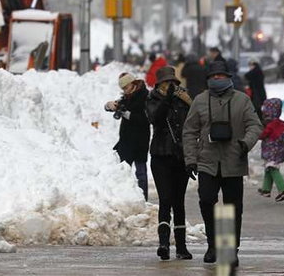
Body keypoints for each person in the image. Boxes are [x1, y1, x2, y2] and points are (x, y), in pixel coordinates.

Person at [182, 60, 262, 266]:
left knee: (232, 207)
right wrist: (191, 159)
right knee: (207, 200)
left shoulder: (242, 100)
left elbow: (254, 125)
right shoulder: (200, 101)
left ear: (229, 78)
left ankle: (229, 249)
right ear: (208, 79)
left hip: (233, 161)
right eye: (213, 77)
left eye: (221, 76)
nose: (217, 79)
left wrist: (245, 144)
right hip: (207, 161)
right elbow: (189, 131)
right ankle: (212, 244)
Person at [146, 66, 193, 260]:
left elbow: (193, 123)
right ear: (159, 84)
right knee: (165, 200)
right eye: (166, 83)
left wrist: (189, 102)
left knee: (179, 202)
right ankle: (164, 243)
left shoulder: (183, 99)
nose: (170, 86)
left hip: (179, 157)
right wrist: (167, 99)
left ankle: (181, 247)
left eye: (173, 82)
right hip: (160, 156)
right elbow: (154, 118)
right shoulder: (152, 99)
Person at [104, 72, 150, 200]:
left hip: (140, 139)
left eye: (126, 87)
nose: (125, 90)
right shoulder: (126, 97)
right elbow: (111, 107)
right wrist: (109, 105)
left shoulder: (145, 96)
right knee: (124, 172)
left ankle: (143, 199)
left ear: (132, 84)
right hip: (126, 140)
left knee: (141, 172)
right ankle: (126, 198)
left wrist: (127, 114)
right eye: (123, 89)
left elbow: (145, 119)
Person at [258, 98, 284, 202]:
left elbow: (261, 135)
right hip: (279, 152)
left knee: (272, 169)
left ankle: (283, 190)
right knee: (269, 168)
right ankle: (266, 189)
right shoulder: (281, 123)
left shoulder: (270, 125)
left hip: (270, 152)